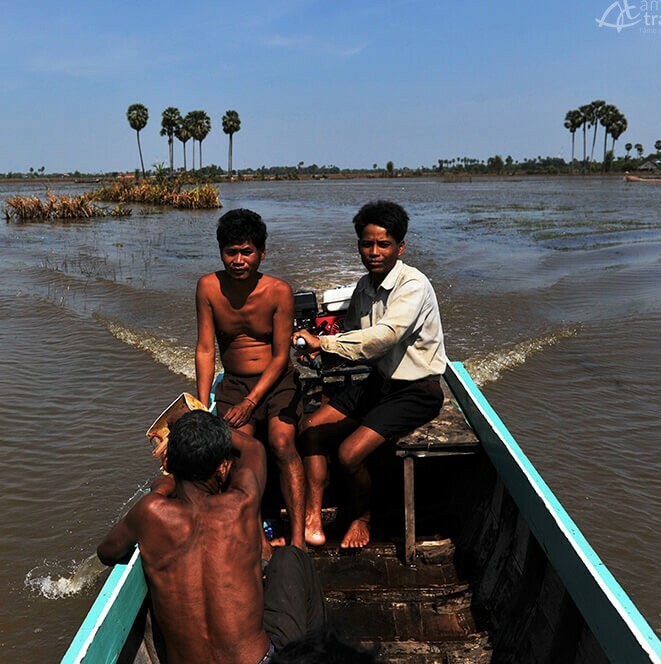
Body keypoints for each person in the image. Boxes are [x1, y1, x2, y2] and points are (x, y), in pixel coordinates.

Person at [97, 410, 326, 663]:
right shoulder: (241, 503)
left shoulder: (150, 513)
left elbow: (106, 553)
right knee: (291, 557)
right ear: (223, 468)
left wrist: (161, 489)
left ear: (168, 464)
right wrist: (198, 418)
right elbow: (252, 447)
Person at [293, 200, 447, 549]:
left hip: (417, 390)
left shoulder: (413, 286)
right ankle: (313, 515)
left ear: (400, 247)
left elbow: (383, 338)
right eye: (367, 244)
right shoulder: (363, 287)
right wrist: (315, 351)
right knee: (310, 430)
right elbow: (352, 343)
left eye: (384, 244)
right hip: (379, 382)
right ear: (358, 245)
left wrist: (326, 343)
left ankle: (362, 518)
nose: (374, 252)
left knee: (349, 453)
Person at [195, 208, 307, 549]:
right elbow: (204, 349)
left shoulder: (278, 291)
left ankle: (298, 539)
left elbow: (281, 356)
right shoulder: (208, 288)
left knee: (282, 443)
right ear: (221, 253)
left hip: (276, 381)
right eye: (231, 252)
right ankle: (258, 536)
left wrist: (251, 401)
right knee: (240, 450)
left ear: (261, 253)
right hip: (233, 382)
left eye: (247, 252)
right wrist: (201, 406)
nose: (239, 260)